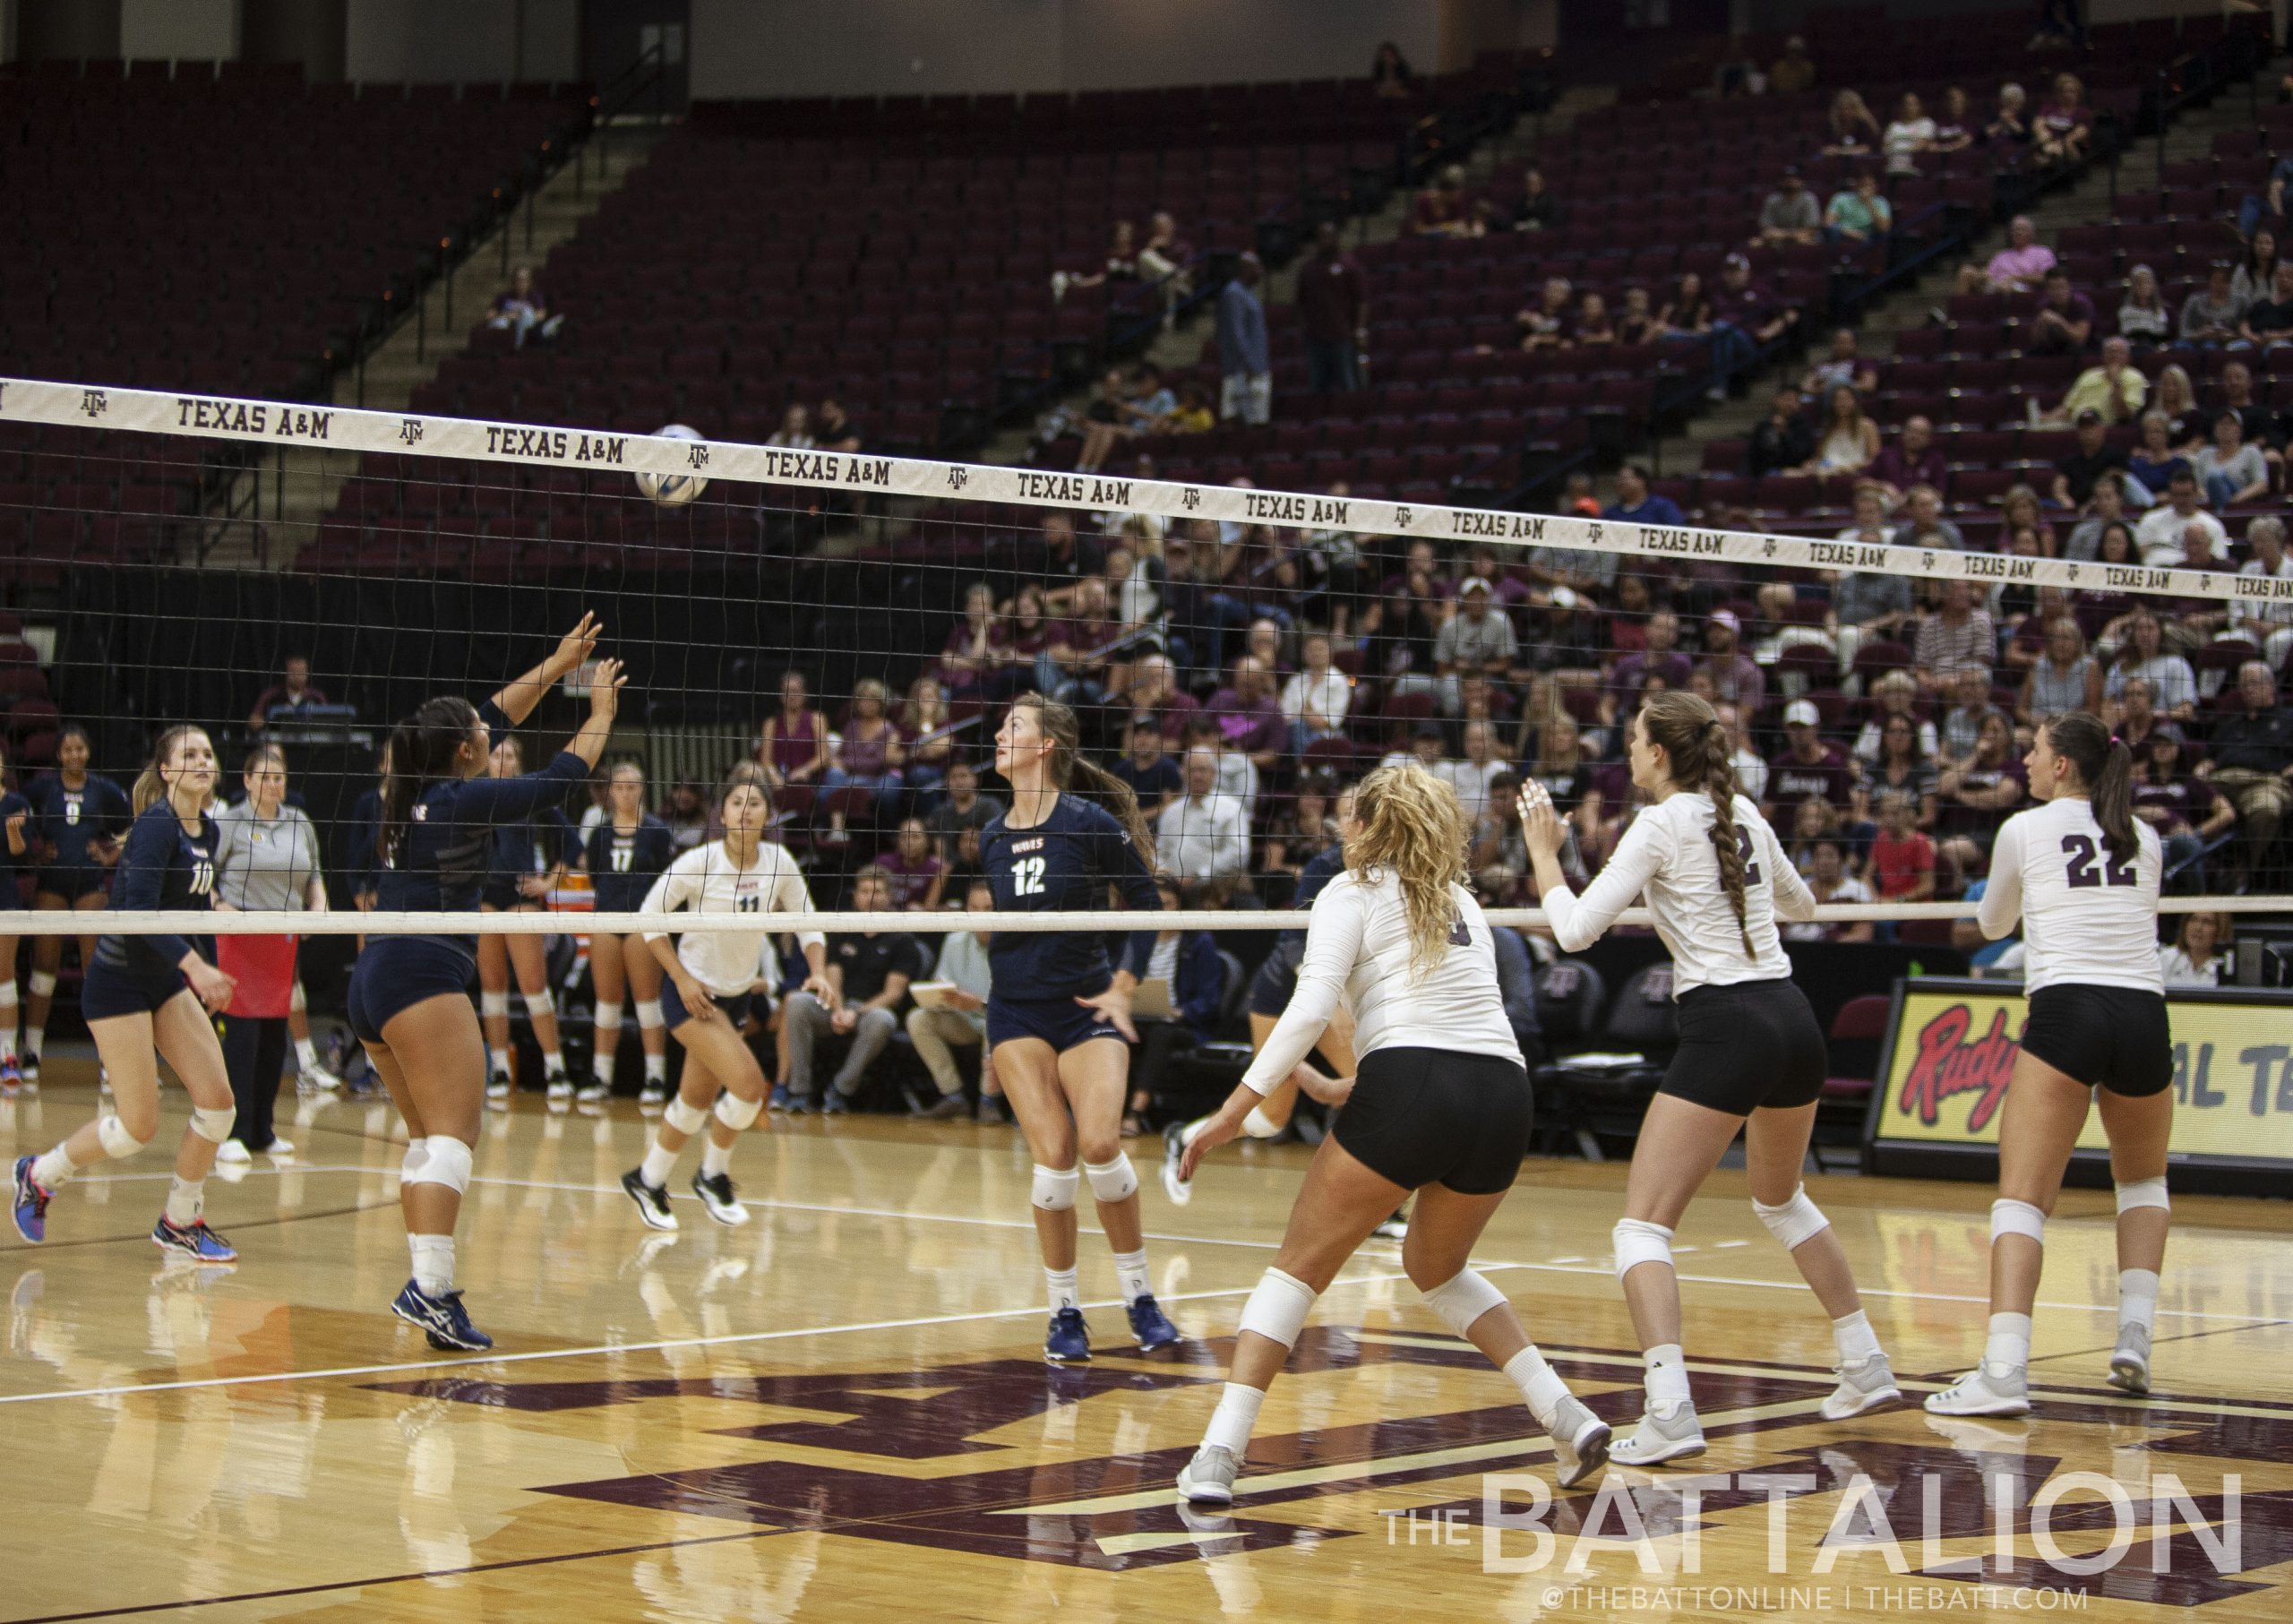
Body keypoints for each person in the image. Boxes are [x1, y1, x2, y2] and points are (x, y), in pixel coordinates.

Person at [1174, 764, 1610, 1503]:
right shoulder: (1462, 898)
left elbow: (1311, 1008)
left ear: (1374, 827)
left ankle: (1218, 1454)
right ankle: (1563, 1411)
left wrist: (1230, 1110)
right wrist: (1371, 1079)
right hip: (1503, 1093)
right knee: (1437, 1266)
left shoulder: (1351, 889)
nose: (1340, 830)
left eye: (1350, 817)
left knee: (1295, 1269)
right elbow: (1448, 1020)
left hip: (1416, 1083)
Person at [1520, 692, 1902, 1462]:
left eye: (1632, 738)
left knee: (1642, 1226)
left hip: (1728, 1023)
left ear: (1659, 752)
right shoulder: (1745, 814)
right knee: (1781, 1197)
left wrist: (1543, 849)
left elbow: (1574, 930)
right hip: (1793, 1016)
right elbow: (1803, 901)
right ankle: (1863, 1361)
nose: (1627, 752)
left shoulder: (1659, 822)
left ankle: (1670, 1410)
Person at [340, 616, 620, 1352]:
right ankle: (430, 1292)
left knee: (428, 1140)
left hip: (375, 977)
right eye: (479, 736)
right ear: (466, 752)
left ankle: (428, 1290)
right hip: (422, 974)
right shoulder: (463, 801)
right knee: (456, 1137)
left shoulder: (414, 790)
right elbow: (563, 777)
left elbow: (493, 715)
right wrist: (598, 714)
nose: (489, 733)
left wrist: (557, 663)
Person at [1927, 713, 2168, 1415]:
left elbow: (1994, 925)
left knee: (2023, 1197)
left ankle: (2003, 1370)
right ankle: (2134, 1340)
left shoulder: (2023, 829)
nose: (2024, 762)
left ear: (2062, 764)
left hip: (2069, 1009)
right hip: (2144, 1014)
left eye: (2033, 751)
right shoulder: (2144, 834)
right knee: (2144, 1182)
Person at [983, 692, 1177, 1362]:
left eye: (1014, 726)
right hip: (1015, 1010)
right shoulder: (991, 833)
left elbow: (1147, 899)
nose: (999, 734)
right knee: (1055, 1156)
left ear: (1045, 747)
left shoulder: (1089, 822)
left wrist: (1125, 986)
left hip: (1087, 1003)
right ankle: (1064, 1309)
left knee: (1099, 1143)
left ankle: (1140, 1296)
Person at [12, 726, 241, 1260]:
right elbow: (137, 913)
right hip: (117, 983)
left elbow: (189, 908)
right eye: (190, 754)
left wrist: (209, 944)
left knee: (218, 1105)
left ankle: (180, 1221)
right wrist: (197, 968)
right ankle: (40, 1174)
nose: (203, 761)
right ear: (166, 771)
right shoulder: (158, 825)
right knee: (138, 1127)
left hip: (162, 978)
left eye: (208, 753)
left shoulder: (207, 828)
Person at [621, 768, 829, 1232]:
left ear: (768, 815)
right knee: (751, 1089)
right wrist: (681, 978)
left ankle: (647, 1178)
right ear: (722, 812)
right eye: (736, 801)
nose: (745, 810)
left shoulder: (779, 862)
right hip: (692, 995)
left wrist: (816, 971)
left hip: (735, 996)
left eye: (755, 803)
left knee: (695, 1101)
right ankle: (712, 1175)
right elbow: (649, 917)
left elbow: (808, 921)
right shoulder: (700, 861)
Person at [211, 743, 328, 1162]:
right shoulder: (230, 822)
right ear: (246, 781)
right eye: (264, 777)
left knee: (274, 1039)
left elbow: (314, 875)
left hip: (282, 937)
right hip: (241, 934)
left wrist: (318, 908)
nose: (273, 784)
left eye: (279, 778)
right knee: (241, 1037)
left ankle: (263, 1130)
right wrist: (219, 906)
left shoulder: (299, 821)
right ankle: (233, 1133)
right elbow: (207, 874)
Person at [22, 724, 132, 1085]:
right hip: (51, 883)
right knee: (44, 966)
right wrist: (36, 855)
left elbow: (133, 825)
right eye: (67, 750)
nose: (74, 755)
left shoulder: (104, 790)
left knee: (94, 968)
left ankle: (107, 1059)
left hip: (89, 884)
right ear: (58, 755)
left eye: (79, 749)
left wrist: (110, 855)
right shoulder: (42, 788)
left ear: (88, 752)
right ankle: (32, 1052)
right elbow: (17, 820)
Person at [476, 736, 576, 1102]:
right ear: (487, 761)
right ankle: (500, 1068)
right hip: (485, 897)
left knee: (534, 984)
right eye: (498, 754)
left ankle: (555, 1067)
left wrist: (549, 881)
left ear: (518, 761)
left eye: (511, 755)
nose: (504, 761)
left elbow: (571, 842)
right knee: (493, 986)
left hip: (521, 896)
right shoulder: (474, 797)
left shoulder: (530, 796)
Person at [780, 866, 923, 1113]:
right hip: (837, 1005)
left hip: (869, 1012)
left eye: (877, 891)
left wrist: (855, 1013)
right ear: (855, 895)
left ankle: (840, 1090)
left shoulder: (902, 939)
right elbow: (832, 977)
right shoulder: (841, 929)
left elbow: (894, 993)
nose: (870, 896)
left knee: (883, 1019)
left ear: (889, 897)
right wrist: (838, 1009)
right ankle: (799, 1091)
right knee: (796, 1002)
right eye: (864, 890)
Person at [583, 760, 674, 1108]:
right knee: (606, 1003)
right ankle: (601, 1075)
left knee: (646, 1001)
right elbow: (595, 875)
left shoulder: (657, 830)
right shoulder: (600, 833)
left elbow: (667, 878)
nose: (625, 793)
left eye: (631, 786)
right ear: (610, 792)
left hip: (642, 920)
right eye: (618, 787)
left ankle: (655, 1076)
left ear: (642, 789)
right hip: (607, 918)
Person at [906, 880, 999, 1120]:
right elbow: (942, 980)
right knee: (919, 1019)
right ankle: (954, 1096)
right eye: (974, 908)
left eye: (988, 908)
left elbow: (1018, 1003)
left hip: (1000, 1020)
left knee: (996, 1021)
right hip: (965, 1020)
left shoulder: (1013, 943)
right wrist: (939, 995)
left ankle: (989, 1102)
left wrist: (980, 1003)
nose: (980, 915)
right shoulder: (954, 940)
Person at [1297, 220, 1367, 395]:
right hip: (1315, 338)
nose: (1324, 240)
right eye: (1321, 237)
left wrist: (1359, 328)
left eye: (1328, 236)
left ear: (1337, 238)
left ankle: (1351, 420)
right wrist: (1302, 327)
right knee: (1317, 388)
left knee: (1348, 385)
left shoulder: (1349, 265)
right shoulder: (1309, 268)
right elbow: (1300, 302)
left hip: (1342, 337)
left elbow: (1362, 300)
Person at [1216, 253, 1271, 426]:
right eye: (1257, 267)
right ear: (1245, 269)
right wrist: (1248, 364)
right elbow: (1236, 333)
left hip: (1257, 366)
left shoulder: (1250, 292)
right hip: (1242, 369)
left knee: (1258, 422)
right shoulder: (1234, 293)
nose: (1260, 271)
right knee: (1238, 420)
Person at [245, 655, 328, 735]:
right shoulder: (271, 695)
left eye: (302, 672)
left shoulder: (316, 696)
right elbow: (254, 721)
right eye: (293, 672)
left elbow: (327, 721)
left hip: (310, 740)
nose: (298, 676)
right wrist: (269, 721)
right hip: (277, 740)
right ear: (285, 673)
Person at [487, 264, 562, 348]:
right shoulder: (504, 297)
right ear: (513, 281)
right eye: (518, 280)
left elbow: (541, 315)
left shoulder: (535, 297)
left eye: (524, 280)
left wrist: (520, 316)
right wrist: (507, 316)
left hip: (525, 324)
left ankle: (518, 348)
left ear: (529, 282)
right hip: (506, 324)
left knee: (527, 313)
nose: (520, 283)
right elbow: (490, 315)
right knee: (500, 322)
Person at [2158, 910, 2230, 987]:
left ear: (2220, 930)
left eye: (2207, 922)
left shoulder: (2227, 966)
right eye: (2193, 919)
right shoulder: (2166, 957)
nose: (2198, 928)